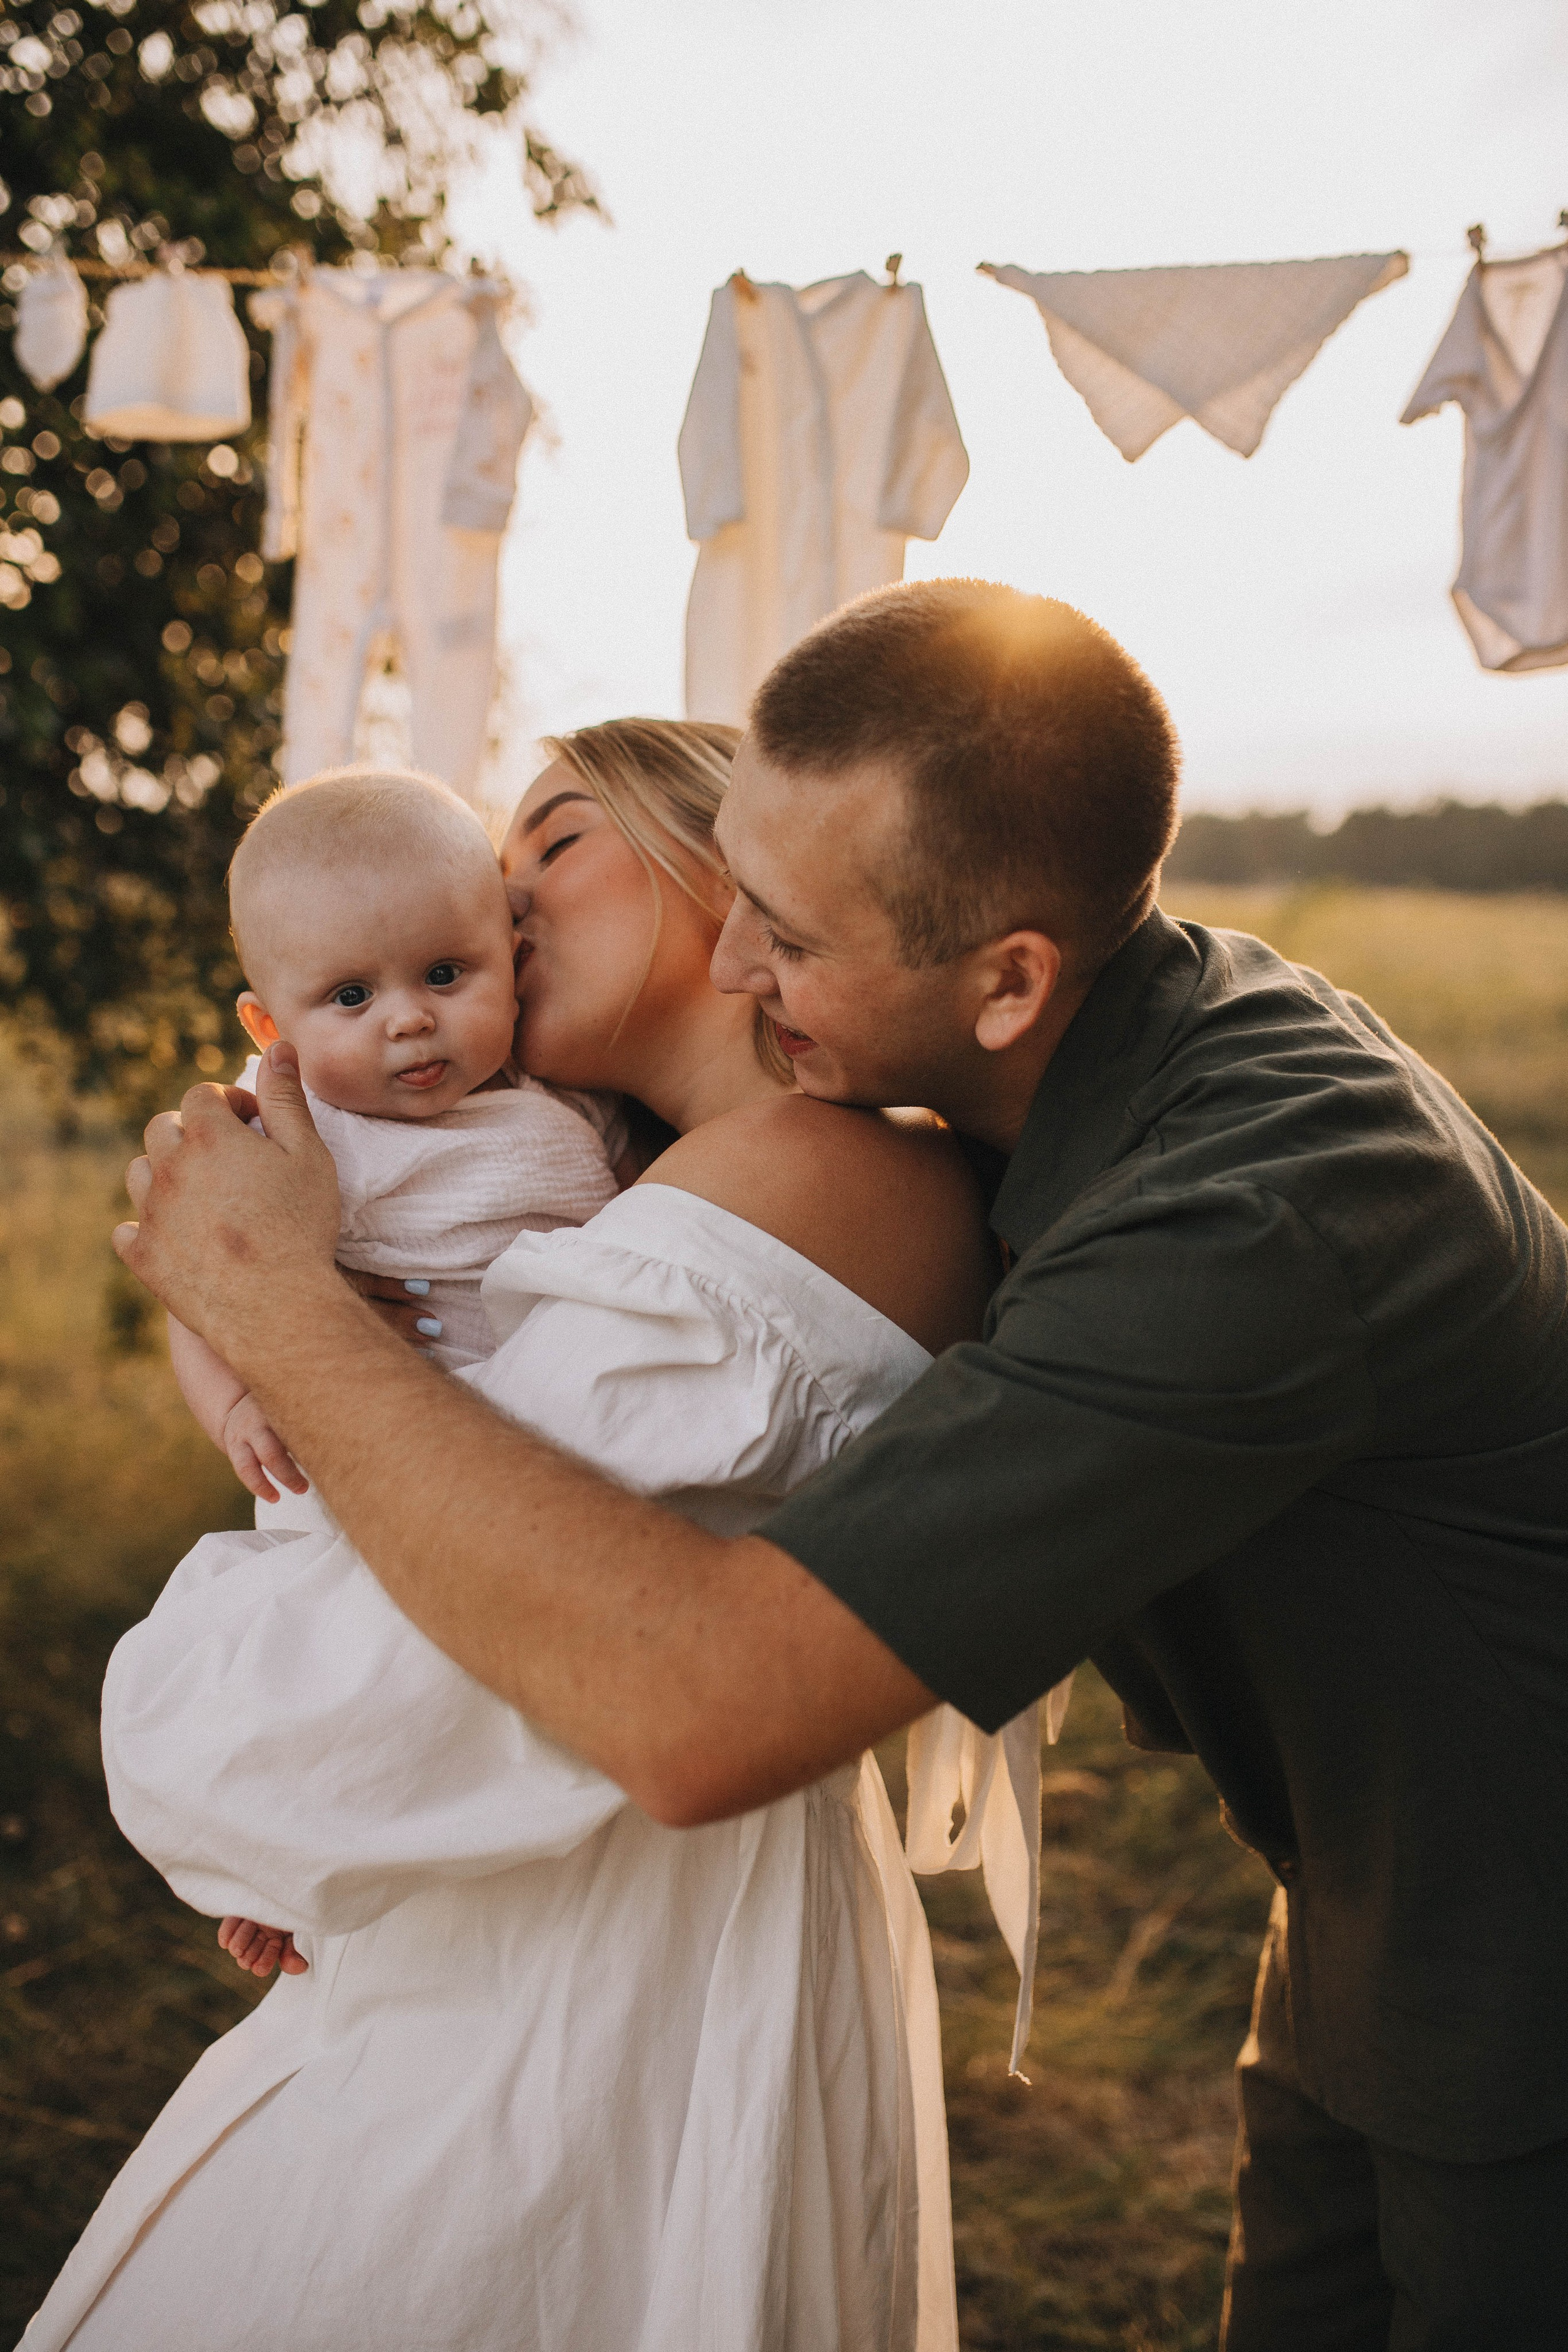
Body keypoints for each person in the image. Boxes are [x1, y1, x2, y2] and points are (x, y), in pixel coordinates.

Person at [113, 584, 1568, 2352]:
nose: (736, 962)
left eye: (782, 935)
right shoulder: (1084, 1070)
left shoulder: (1253, 1214)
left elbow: (701, 1705)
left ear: (1007, 979)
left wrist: (273, 1304)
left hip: (1520, 1963)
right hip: (1368, 1903)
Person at [25, 720, 1003, 2352]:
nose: (508, 890)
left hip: (598, 1965)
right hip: (529, 1884)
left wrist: (268, 1782)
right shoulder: (657, 1178)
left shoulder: (801, 1177)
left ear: (730, 865)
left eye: (553, 843)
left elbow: (385, 1670)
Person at [169, 763, 623, 1506]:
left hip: (552, 1452)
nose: (408, 1018)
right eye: (352, 995)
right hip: (364, 1463)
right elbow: (197, 1288)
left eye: (445, 973)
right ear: (271, 1028)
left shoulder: (559, 1097)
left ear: (510, 961)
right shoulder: (288, 1125)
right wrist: (236, 1406)